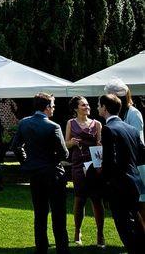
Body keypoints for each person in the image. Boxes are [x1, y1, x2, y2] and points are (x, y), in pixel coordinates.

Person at [10, 92, 70, 254]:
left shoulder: (24, 123)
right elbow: (64, 154)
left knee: (40, 213)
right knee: (59, 214)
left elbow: (16, 147)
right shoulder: (53, 126)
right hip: (54, 174)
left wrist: (27, 161)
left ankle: (41, 248)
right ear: (47, 107)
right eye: (53, 106)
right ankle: (62, 248)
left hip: (36, 174)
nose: (54, 109)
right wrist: (54, 159)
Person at [97, 93, 145, 253]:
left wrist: (104, 183)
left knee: (124, 227)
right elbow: (141, 155)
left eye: (99, 105)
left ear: (104, 108)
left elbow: (110, 161)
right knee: (136, 223)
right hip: (134, 181)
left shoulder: (108, 129)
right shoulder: (131, 129)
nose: (98, 108)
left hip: (119, 185)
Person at [65, 96, 105, 247]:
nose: (87, 107)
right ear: (76, 108)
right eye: (83, 105)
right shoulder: (71, 123)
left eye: (88, 105)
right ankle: (77, 231)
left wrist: (101, 145)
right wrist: (71, 143)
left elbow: (100, 145)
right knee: (79, 198)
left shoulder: (97, 124)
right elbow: (66, 144)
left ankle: (100, 234)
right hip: (78, 164)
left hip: (95, 165)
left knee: (96, 199)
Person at [105, 77, 145, 222]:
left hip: (136, 163)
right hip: (126, 164)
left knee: (140, 202)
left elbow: (137, 141)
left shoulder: (133, 113)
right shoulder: (118, 114)